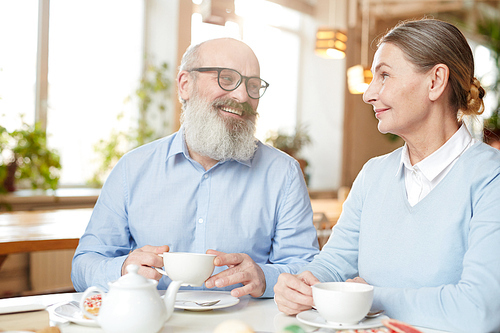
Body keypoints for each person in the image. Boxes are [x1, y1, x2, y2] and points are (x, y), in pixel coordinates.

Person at [274, 19, 500, 332]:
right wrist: (304, 285)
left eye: (384, 75)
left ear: (435, 81)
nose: (368, 94)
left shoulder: (491, 178)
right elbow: (334, 264)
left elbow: (479, 310)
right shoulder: (373, 174)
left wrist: (367, 296)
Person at [71, 38, 319, 298]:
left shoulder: (284, 173)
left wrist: (263, 277)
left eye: (253, 85)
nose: (242, 96)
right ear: (185, 85)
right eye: (226, 79)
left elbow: (308, 268)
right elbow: (83, 266)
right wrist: (122, 269)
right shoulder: (132, 169)